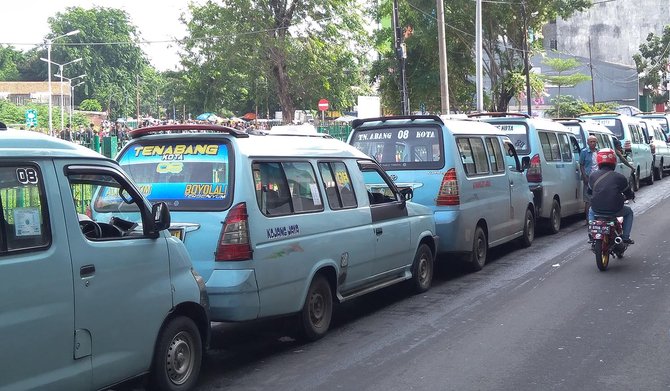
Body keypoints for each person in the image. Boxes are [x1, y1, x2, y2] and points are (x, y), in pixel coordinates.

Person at [588, 148, 635, 244]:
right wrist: (631, 196)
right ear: (614, 162)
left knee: (590, 211)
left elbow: (589, 192)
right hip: (615, 210)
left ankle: (592, 233)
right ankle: (625, 237)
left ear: (598, 161)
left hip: (596, 209)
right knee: (629, 212)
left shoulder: (592, 176)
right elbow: (628, 193)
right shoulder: (620, 177)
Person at [579, 135, 598, 220]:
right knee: (588, 199)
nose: (593, 143)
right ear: (587, 143)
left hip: (597, 177)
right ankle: (588, 219)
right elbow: (581, 165)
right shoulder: (584, 152)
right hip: (588, 177)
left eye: (594, 141)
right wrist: (584, 177)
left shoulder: (598, 152)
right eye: (591, 141)